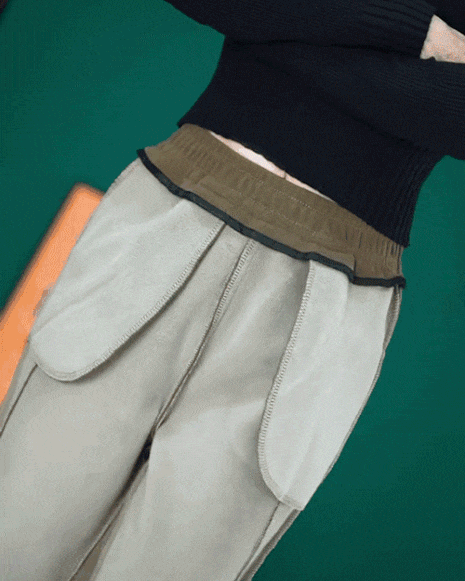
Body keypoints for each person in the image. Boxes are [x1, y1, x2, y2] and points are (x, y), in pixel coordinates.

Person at [1, 2, 464, 580]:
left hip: (330, 296)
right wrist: (422, 35)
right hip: (175, 212)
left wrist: (288, 24)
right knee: (14, 533)